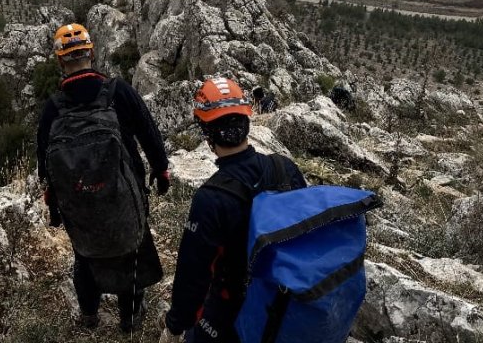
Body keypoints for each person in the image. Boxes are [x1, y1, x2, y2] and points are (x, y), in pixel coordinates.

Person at [37, 23, 171, 333]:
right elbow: (149, 135)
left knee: (84, 254)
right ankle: (131, 319)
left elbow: (44, 162)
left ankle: (89, 316)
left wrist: (54, 204)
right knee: (131, 249)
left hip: (78, 200)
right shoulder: (118, 92)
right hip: (125, 192)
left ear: (60, 61)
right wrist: (160, 171)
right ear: (92, 53)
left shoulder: (53, 108)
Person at [163, 77, 307, 343]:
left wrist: (176, 326)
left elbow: (192, 276)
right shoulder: (284, 168)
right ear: (247, 121)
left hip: (232, 309)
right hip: (284, 296)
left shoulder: (211, 199)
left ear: (206, 133)